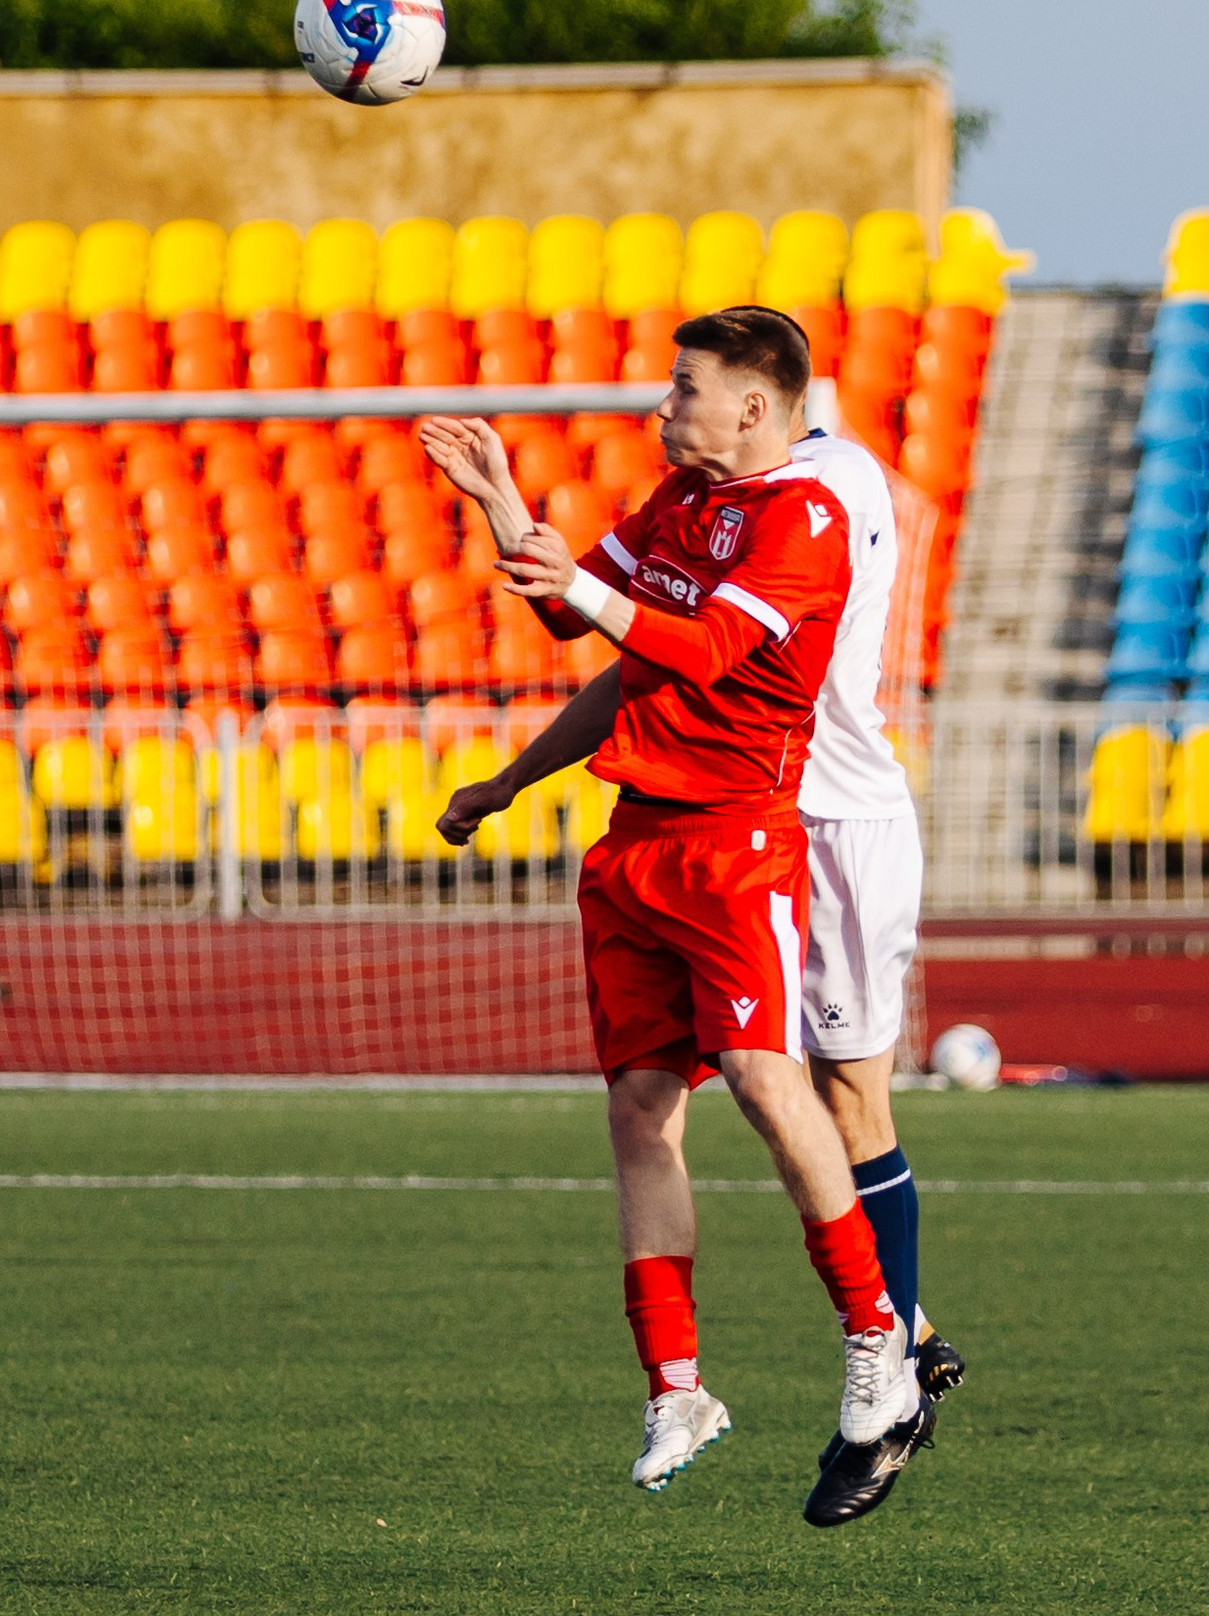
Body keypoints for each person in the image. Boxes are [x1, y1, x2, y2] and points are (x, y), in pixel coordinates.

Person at [416, 307, 927, 1525]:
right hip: (635, 839)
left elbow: (698, 651)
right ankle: (678, 1385)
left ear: (754, 405)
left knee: (766, 1073)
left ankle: (879, 1345)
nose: (662, 404)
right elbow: (586, 631)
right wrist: (500, 505)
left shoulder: (802, 515)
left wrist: (582, 586)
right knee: (638, 1109)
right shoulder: (678, 506)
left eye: (682, 386)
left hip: (740, 834)